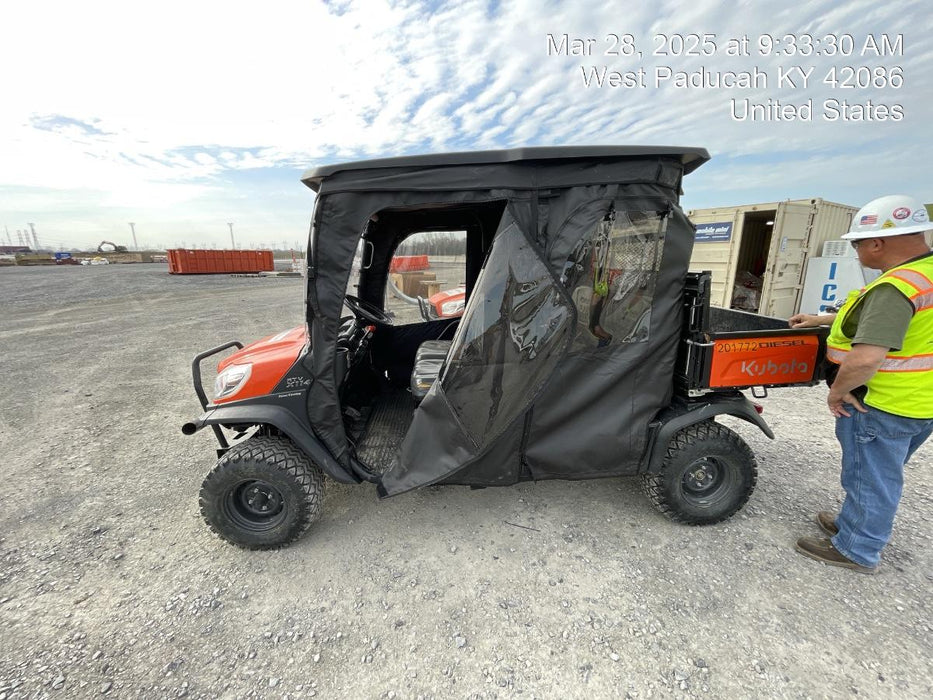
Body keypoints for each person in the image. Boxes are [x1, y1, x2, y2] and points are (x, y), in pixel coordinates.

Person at [788, 194, 933, 573]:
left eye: (856, 243)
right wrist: (819, 320)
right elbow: (871, 319)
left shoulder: (896, 287)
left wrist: (837, 392)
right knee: (878, 474)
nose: (856, 251)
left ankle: (857, 548)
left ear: (877, 242)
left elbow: (867, 356)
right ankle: (855, 524)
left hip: (880, 404)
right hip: (920, 403)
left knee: (871, 478)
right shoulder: (925, 275)